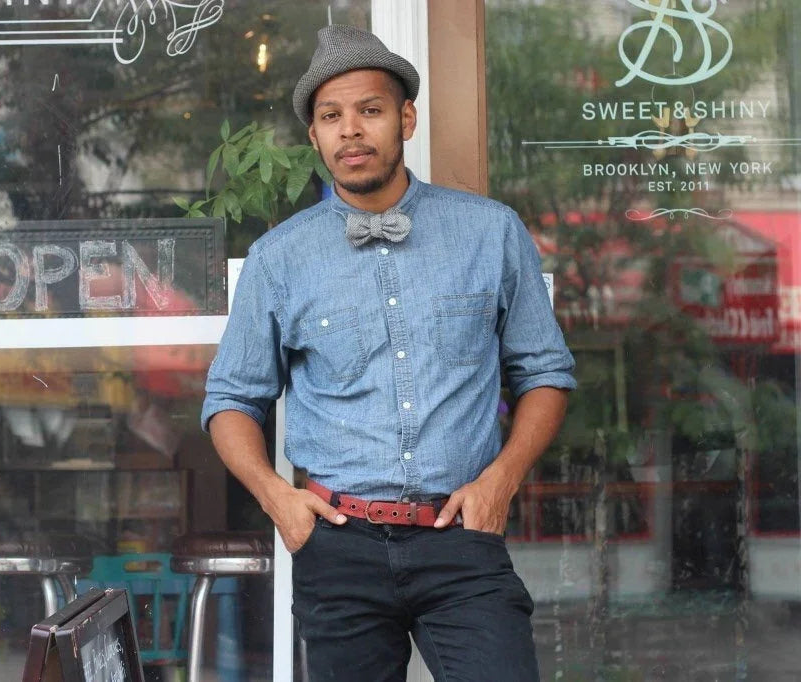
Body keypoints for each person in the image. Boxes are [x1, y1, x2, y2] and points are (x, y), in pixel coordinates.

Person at [201, 24, 576, 681]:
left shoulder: (490, 233)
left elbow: (544, 372)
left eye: (369, 110)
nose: (351, 130)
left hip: (462, 539)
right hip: (337, 546)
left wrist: (504, 477)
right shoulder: (280, 259)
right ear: (313, 135)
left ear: (405, 118)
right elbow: (232, 400)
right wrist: (276, 499)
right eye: (331, 116)